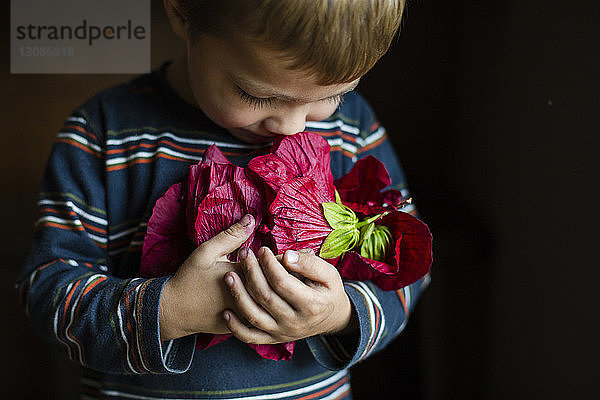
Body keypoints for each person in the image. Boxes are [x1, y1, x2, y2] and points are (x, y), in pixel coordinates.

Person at [17, 0, 429, 398]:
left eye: (331, 97)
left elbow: (408, 272)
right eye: (255, 95)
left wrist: (339, 314)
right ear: (181, 9)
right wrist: (169, 311)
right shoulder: (103, 134)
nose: (292, 126)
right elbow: (48, 294)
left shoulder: (352, 128)